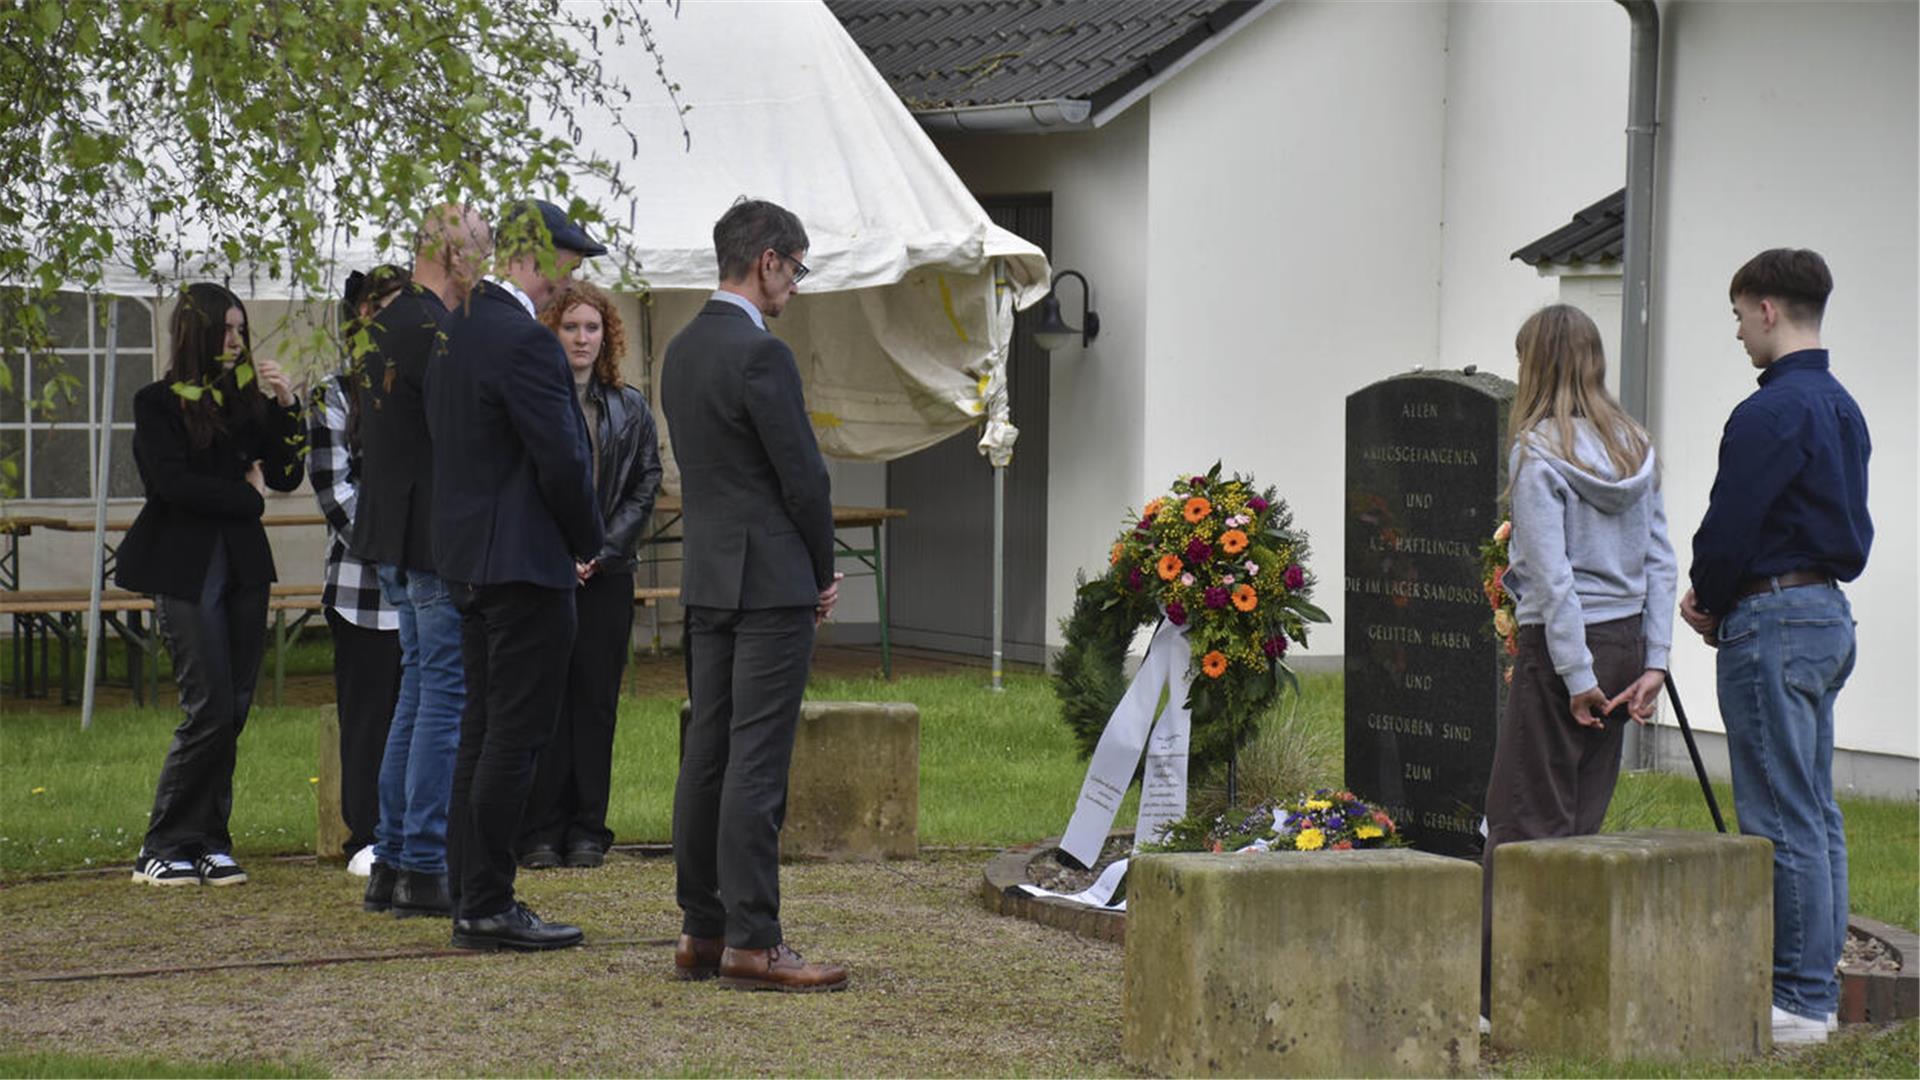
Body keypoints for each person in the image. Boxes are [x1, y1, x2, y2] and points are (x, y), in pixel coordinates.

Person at [1680, 248, 1871, 1046]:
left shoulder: (1768, 412)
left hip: (1775, 619)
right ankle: (1814, 987)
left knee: (1780, 814)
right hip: (1827, 613)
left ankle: (1796, 1002)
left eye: (1736, 316)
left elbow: (1732, 525)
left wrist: (1708, 595)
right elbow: (1855, 534)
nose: (1736, 334)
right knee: (1815, 811)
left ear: (1766, 310)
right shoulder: (1842, 407)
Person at [662, 198, 846, 991]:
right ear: (767, 258)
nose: (795, 286)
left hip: (708, 572)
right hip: (770, 579)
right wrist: (820, 569)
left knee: (706, 753)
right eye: (796, 269)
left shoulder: (680, 349)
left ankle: (701, 930)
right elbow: (801, 477)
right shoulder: (759, 354)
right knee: (755, 763)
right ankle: (754, 941)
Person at [1476, 303, 1676, 1018]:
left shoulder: (1536, 453)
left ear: (1535, 366)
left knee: (1524, 818)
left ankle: (1500, 992)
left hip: (1565, 650)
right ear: (1594, 363)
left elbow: (1551, 575)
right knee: (1581, 819)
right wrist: (1654, 663)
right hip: (1624, 644)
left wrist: (1576, 678)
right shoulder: (1635, 449)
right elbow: (1659, 561)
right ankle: (1568, 981)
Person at [426, 199, 604, 951]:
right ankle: (490, 902)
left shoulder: (452, 333)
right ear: (531, 259)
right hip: (526, 562)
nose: (566, 286)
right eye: (562, 269)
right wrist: (586, 539)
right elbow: (560, 456)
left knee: (480, 733)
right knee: (514, 739)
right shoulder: (523, 343)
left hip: (470, 559)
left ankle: (472, 893)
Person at [118, 282, 304, 886]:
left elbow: (284, 473)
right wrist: (244, 497)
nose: (235, 341)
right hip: (185, 568)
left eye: (241, 330)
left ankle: (208, 840)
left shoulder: (247, 402)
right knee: (209, 709)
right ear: (195, 332)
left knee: (237, 707)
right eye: (225, 330)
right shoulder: (157, 403)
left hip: (244, 570)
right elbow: (172, 486)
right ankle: (162, 842)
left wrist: (283, 405)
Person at [352, 206, 492, 920]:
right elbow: (455, 437)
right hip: (433, 534)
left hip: (393, 532)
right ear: (453, 255)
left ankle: (396, 857)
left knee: (417, 691)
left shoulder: (379, 325)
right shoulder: (438, 332)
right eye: (480, 254)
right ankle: (423, 858)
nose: (483, 270)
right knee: (442, 695)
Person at [517, 280, 662, 870]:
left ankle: (587, 828)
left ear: (607, 335)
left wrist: (597, 550)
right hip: (544, 570)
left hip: (607, 571)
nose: (581, 338)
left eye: (592, 328)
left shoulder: (629, 406)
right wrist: (561, 551)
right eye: (571, 327)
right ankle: (541, 829)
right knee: (543, 700)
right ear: (552, 330)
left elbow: (646, 481)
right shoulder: (530, 397)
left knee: (595, 701)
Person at [308, 267, 406, 875]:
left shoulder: (424, 387)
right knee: (368, 716)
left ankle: (413, 828)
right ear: (363, 317)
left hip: (427, 584)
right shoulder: (336, 393)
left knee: (418, 714)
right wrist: (398, 545)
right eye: (386, 310)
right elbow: (337, 495)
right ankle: (365, 834)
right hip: (364, 588)